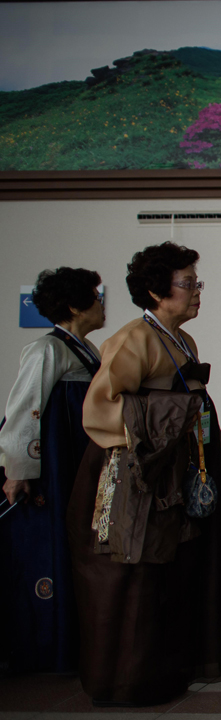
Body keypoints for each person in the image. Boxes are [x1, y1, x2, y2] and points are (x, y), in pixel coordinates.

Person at [67, 242, 221, 705]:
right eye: (187, 284)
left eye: (196, 282)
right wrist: (173, 411)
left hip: (176, 467)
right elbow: (100, 409)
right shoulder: (132, 339)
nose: (196, 292)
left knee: (176, 570)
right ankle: (128, 679)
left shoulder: (181, 339)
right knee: (135, 573)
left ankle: (170, 668)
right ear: (155, 290)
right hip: (136, 473)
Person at [0, 267, 104, 674]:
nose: (101, 302)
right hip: (55, 466)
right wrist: (19, 470)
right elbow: (24, 411)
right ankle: (46, 648)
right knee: (51, 551)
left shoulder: (86, 348)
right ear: (76, 305)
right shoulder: (46, 350)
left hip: (78, 459)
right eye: (95, 296)